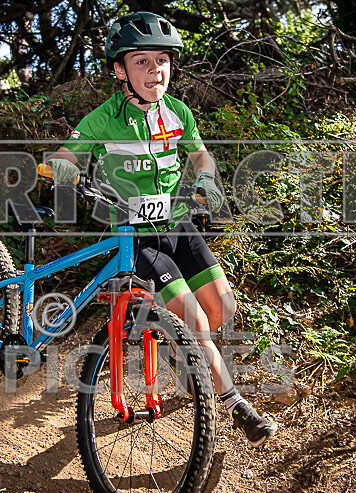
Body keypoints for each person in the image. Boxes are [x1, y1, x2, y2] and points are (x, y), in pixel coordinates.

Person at [47, 11, 277, 447]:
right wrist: (63, 164)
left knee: (222, 309)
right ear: (120, 70)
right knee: (192, 320)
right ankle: (236, 405)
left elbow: (201, 155)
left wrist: (206, 175)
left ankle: (190, 361)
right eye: (141, 62)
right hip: (138, 237)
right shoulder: (103, 118)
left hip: (177, 222)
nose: (155, 70)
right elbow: (67, 152)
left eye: (162, 61)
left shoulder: (178, 112)